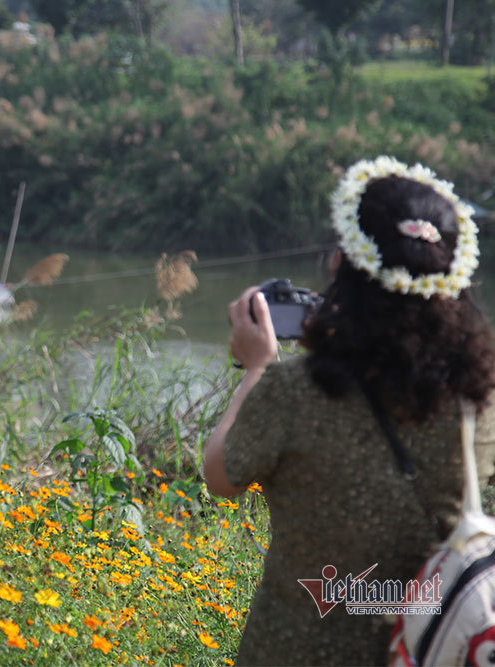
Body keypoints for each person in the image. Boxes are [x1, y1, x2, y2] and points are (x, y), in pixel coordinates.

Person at [203, 156, 495, 665]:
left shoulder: (295, 390)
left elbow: (220, 474)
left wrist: (256, 369)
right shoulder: (477, 400)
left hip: (294, 649)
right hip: (428, 650)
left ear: (344, 265)